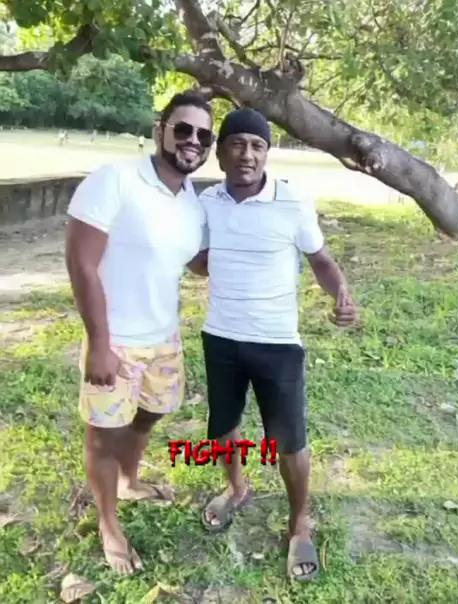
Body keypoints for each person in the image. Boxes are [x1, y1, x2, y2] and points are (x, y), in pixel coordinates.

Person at [198, 108, 356, 581]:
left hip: (278, 343)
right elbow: (199, 260)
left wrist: (341, 294)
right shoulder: (206, 202)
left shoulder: (292, 203)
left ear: (267, 153)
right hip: (221, 336)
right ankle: (237, 488)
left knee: (289, 440)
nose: (247, 154)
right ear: (220, 151)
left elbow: (321, 260)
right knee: (223, 427)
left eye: (257, 145)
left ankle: (298, 522)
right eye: (237, 143)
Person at [65, 93, 215, 575]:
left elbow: (197, 262)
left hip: (164, 337)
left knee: (151, 414)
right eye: (183, 129)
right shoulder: (115, 180)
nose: (193, 141)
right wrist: (100, 343)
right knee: (105, 436)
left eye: (204, 135)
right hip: (116, 339)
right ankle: (109, 524)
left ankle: (128, 481)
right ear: (159, 130)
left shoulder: (192, 201)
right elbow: (82, 263)